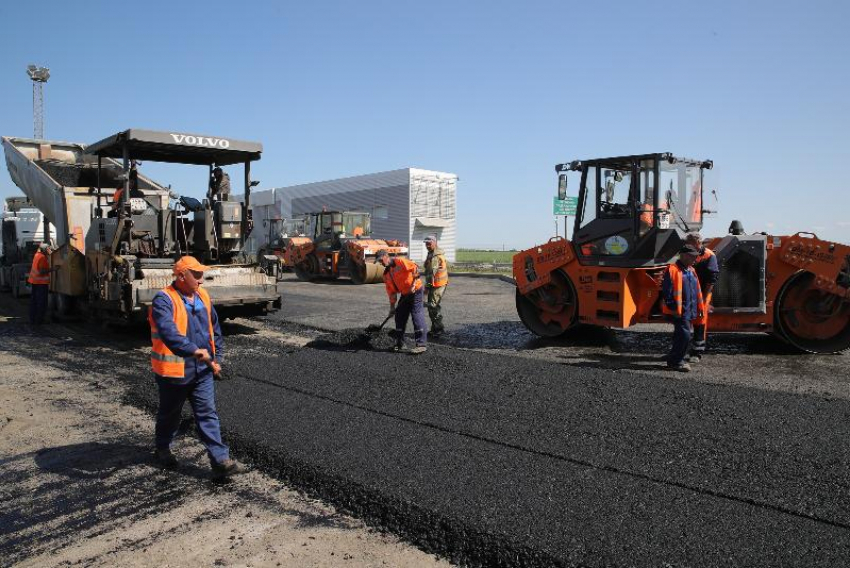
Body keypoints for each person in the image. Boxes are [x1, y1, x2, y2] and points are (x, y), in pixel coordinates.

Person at [148, 255, 245, 479]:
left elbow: (215, 328)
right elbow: (168, 333)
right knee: (170, 414)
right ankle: (162, 448)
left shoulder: (203, 295)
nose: (202, 279)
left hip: (202, 371)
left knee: (207, 413)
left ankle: (220, 460)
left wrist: (216, 356)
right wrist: (193, 350)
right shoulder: (164, 300)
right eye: (197, 274)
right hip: (175, 372)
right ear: (182, 276)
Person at [661, 245, 704, 372]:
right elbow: (667, 291)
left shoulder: (691, 270)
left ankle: (674, 358)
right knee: (684, 335)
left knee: (681, 335)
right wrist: (673, 308)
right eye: (693, 256)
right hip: (679, 311)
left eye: (696, 256)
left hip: (689, 309)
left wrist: (699, 308)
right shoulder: (672, 269)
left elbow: (697, 291)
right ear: (684, 255)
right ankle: (676, 362)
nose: (695, 259)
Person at [377, 250, 427, 354]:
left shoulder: (400, 261)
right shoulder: (386, 274)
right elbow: (391, 292)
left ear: (386, 256)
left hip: (416, 290)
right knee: (399, 316)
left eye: (381, 260)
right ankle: (400, 343)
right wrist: (392, 307)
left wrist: (413, 284)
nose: (381, 263)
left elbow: (415, 268)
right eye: (379, 261)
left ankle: (421, 344)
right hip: (405, 294)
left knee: (416, 314)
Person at [685, 232, 720, 362]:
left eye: (691, 244)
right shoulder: (688, 253)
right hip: (689, 292)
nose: (689, 246)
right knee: (685, 321)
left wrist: (704, 299)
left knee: (700, 321)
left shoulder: (709, 256)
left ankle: (697, 352)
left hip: (702, 293)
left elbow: (712, 279)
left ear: (698, 243)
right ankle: (684, 350)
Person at [423, 236, 448, 336]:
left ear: (434, 243)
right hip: (436, 284)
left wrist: (427, 288)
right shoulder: (431, 253)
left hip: (438, 284)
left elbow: (431, 273)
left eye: (429, 243)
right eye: (426, 244)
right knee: (431, 306)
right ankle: (435, 328)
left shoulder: (435, 256)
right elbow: (427, 267)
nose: (427, 246)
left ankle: (439, 329)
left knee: (433, 306)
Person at [27, 242, 51, 325]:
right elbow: (41, 271)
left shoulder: (37, 255)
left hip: (34, 282)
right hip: (41, 283)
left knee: (34, 301)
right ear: (44, 249)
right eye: (48, 248)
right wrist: (53, 269)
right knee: (42, 302)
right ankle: (39, 320)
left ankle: (33, 319)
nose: (49, 250)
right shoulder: (42, 258)